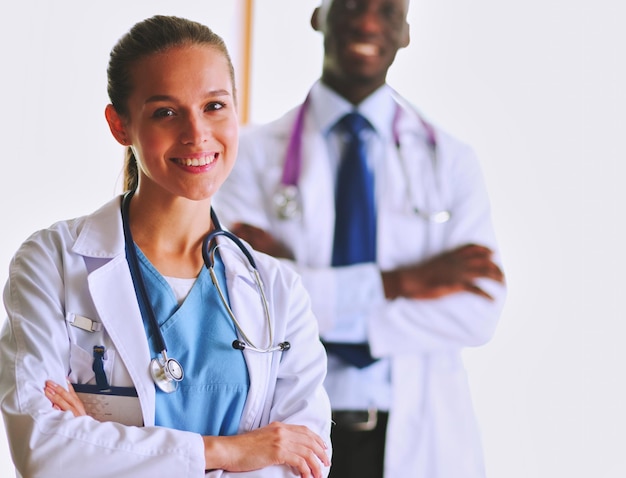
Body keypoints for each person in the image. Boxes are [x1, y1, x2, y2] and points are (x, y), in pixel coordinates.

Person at [0, 15, 332, 478]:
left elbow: (301, 461)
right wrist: (230, 452)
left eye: (214, 106)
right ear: (120, 125)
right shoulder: (51, 263)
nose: (197, 134)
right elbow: (45, 451)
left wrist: (108, 451)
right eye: (165, 112)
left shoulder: (277, 292)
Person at [213, 0, 507, 477]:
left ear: (405, 31)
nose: (369, 21)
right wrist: (401, 282)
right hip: (291, 436)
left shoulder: (450, 161)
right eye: (351, 3)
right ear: (318, 15)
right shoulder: (247, 158)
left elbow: (479, 310)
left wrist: (303, 291)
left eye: (388, 10)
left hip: (415, 436)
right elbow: (240, 302)